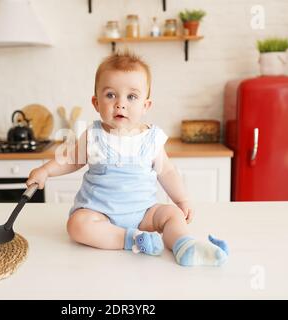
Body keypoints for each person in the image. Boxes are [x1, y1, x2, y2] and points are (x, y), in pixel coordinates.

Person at [26, 51, 228, 266]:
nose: (120, 104)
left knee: (171, 215)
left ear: (145, 105)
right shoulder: (94, 135)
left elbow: (167, 171)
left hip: (144, 213)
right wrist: (46, 170)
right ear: (95, 103)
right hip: (100, 214)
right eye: (111, 95)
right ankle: (133, 239)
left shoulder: (151, 138)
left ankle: (185, 246)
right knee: (77, 225)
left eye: (131, 96)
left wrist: (182, 200)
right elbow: (71, 159)